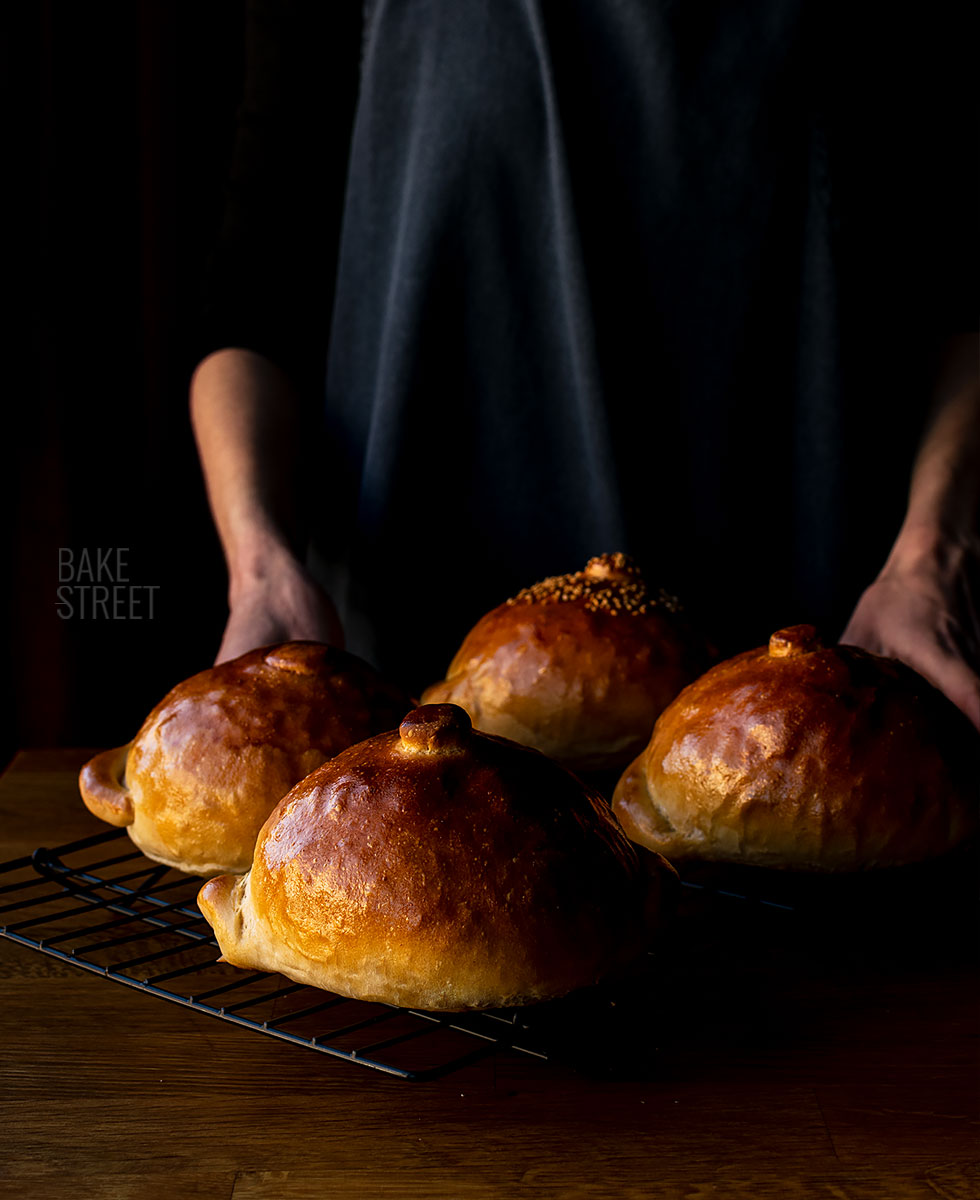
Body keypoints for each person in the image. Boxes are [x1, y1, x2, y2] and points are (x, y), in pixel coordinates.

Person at [190, 0, 979, 729]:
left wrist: (929, 563)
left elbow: (956, 285)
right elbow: (256, 300)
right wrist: (262, 571)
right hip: (408, 731)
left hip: (808, 703)